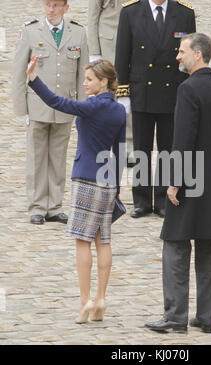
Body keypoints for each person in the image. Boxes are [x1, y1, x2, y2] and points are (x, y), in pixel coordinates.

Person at [145, 33, 211, 334]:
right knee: (209, 247)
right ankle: (206, 317)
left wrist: (173, 182)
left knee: (175, 245)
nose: (177, 57)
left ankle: (174, 316)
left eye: (182, 52)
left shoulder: (188, 89)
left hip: (191, 179)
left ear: (198, 54)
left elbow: (181, 140)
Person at [26, 57, 126, 324]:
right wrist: (116, 185)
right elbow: (120, 151)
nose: (85, 83)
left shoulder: (90, 107)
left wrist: (34, 79)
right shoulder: (118, 111)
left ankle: (85, 301)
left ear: (104, 81)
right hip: (107, 182)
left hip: (86, 179)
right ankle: (102, 298)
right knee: (103, 239)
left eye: (90, 79)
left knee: (82, 240)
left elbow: (57, 102)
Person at [115, 0, 196, 218]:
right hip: (142, 90)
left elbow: (190, 55)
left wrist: (190, 89)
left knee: (167, 149)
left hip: (173, 90)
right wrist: (123, 92)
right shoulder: (130, 12)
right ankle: (141, 200)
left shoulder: (184, 13)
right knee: (141, 148)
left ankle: (162, 199)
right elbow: (122, 54)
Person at [12, 0, 89, 225]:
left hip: (65, 105)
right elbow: (18, 73)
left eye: (56, 5)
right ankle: (37, 206)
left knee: (58, 158)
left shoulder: (78, 32)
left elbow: (83, 74)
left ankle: (54, 206)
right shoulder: (30, 31)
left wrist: (83, 108)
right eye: (48, 5)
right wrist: (21, 108)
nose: (51, 10)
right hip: (37, 106)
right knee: (36, 158)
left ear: (66, 7)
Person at [87, 0, 134, 166]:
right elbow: (92, 17)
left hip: (136, 39)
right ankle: (104, 143)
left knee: (131, 93)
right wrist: (94, 52)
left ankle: (129, 147)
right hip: (110, 43)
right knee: (109, 93)